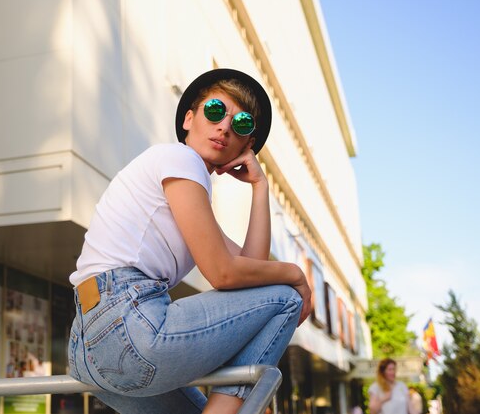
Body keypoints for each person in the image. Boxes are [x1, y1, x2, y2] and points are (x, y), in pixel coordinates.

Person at [67, 68, 312, 414]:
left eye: (241, 124)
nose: (225, 126)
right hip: (127, 326)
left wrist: (261, 187)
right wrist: (296, 276)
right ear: (188, 119)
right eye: (215, 111)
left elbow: (251, 277)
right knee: (287, 297)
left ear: (247, 145)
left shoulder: (187, 192)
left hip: (88, 347)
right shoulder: (180, 159)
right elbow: (224, 274)